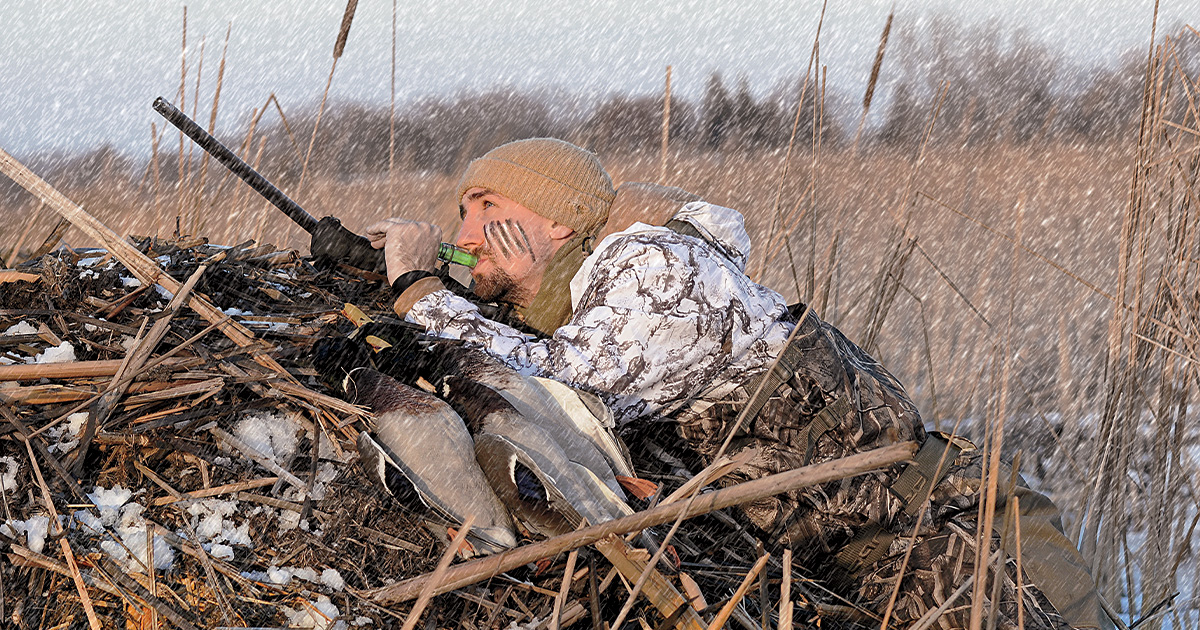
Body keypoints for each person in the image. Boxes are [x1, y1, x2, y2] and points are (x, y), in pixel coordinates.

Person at [364, 138, 1114, 630]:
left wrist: (416, 290)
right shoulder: (588, 301)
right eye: (460, 212)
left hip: (951, 538)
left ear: (560, 225)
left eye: (487, 207)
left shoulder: (655, 267)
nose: (464, 233)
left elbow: (569, 386)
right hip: (855, 563)